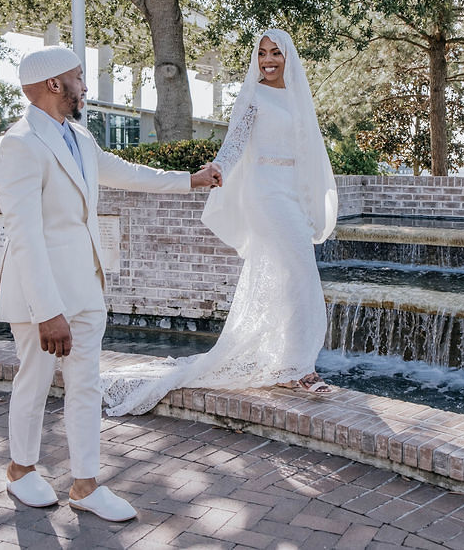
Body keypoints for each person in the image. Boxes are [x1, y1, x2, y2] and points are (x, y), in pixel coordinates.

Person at [0, 46, 221, 523]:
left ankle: (85, 485)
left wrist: (190, 180)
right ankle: (20, 470)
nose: (85, 85)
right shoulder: (20, 144)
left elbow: (123, 172)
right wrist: (47, 310)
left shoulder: (78, 135)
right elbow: (25, 237)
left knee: (85, 386)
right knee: (33, 382)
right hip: (43, 297)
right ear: (55, 84)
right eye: (78, 76)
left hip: (88, 286)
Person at [100, 28, 338, 416]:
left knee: (290, 277)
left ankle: (288, 364)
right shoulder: (254, 95)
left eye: (276, 53)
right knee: (301, 274)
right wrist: (216, 167)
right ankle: (300, 368)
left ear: (288, 56)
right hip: (266, 194)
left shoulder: (298, 98)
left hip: (292, 193)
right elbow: (236, 142)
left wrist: (311, 201)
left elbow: (309, 153)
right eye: (262, 53)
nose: (268, 60)